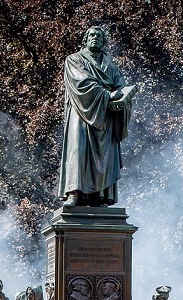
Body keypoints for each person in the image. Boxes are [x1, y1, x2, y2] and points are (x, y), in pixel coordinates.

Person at [58, 26, 135, 208]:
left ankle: (100, 196)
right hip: (82, 114)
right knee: (79, 151)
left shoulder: (112, 67)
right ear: (85, 40)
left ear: (104, 41)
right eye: (92, 35)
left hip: (106, 118)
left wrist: (122, 100)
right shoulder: (74, 60)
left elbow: (120, 88)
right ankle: (74, 192)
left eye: (99, 36)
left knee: (104, 155)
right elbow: (82, 83)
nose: (95, 38)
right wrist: (107, 96)